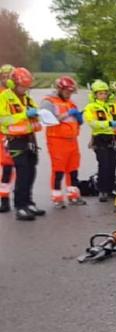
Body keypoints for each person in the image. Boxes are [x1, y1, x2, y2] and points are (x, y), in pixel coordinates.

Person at [0, 67, 46, 220]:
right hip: (15, 141)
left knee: (31, 172)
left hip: (30, 139)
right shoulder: (4, 97)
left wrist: (38, 116)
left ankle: (29, 202)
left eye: (27, 86)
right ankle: (20, 206)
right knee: (22, 173)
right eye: (22, 86)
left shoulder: (27, 98)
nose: (25, 89)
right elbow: (4, 119)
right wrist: (24, 114)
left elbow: (35, 118)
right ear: (13, 84)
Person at [40, 76, 86, 208]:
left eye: (71, 92)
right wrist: (66, 115)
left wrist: (79, 118)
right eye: (67, 91)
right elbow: (47, 120)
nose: (69, 94)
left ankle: (73, 196)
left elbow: (77, 121)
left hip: (72, 140)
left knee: (73, 169)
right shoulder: (48, 101)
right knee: (58, 170)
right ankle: (57, 197)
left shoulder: (71, 103)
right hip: (57, 140)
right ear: (59, 89)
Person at [84, 80, 116, 202]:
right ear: (95, 95)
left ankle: (110, 189)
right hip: (100, 138)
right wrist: (109, 123)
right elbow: (93, 123)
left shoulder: (113, 106)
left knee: (112, 164)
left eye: (105, 93)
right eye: (100, 94)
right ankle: (102, 190)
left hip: (114, 138)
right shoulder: (91, 107)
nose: (103, 96)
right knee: (103, 164)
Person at [0, 64, 15, 212]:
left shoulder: (18, 94)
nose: (6, 80)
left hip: (18, 134)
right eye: (3, 77)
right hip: (3, 135)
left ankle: (21, 199)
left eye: (8, 77)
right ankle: (4, 199)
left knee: (23, 168)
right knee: (7, 166)